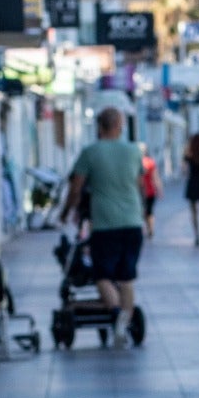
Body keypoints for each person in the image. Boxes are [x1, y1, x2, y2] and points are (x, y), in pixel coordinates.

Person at [60, 107, 143, 348]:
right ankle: (124, 323)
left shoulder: (90, 153)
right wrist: (145, 216)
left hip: (105, 225)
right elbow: (140, 185)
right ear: (120, 126)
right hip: (132, 221)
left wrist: (66, 212)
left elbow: (76, 188)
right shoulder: (133, 151)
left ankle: (116, 314)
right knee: (127, 277)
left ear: (99, 127)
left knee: (103, 275)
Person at [139, 143, 162, 240]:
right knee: (150, 211)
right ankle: (150, 229)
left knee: (143, 211)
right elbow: (155, 177)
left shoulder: (136, 163)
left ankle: (146, 228)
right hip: (150, 190)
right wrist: (159, 189)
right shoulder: (150, 162)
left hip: (141, 191)